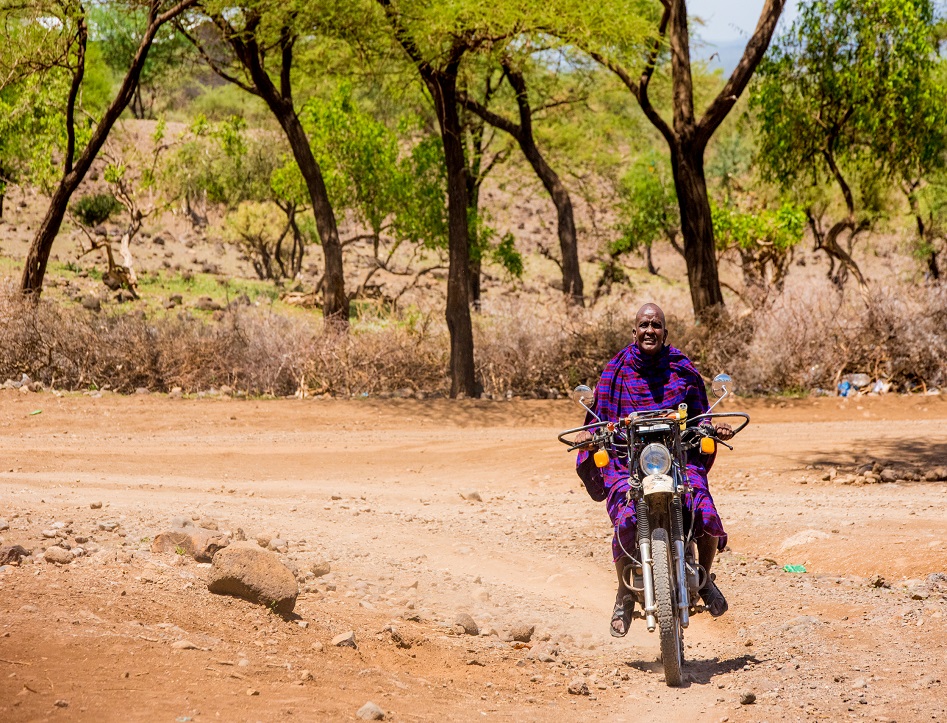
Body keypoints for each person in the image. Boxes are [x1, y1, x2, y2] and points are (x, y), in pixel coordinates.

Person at [574, 303, 732, 637]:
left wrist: (713, 427)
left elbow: (701, 415)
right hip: (627, 461)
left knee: (701, 504)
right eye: (644, 325)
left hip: (676, 457)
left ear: (665, 332)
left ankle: (703, 578)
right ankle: (623, 594)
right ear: (634, 332)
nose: (649, 330)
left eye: (656, 325)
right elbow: (598, 416)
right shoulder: (616, 370)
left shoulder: (681, 368)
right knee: (624, 517)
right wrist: (590, 435)